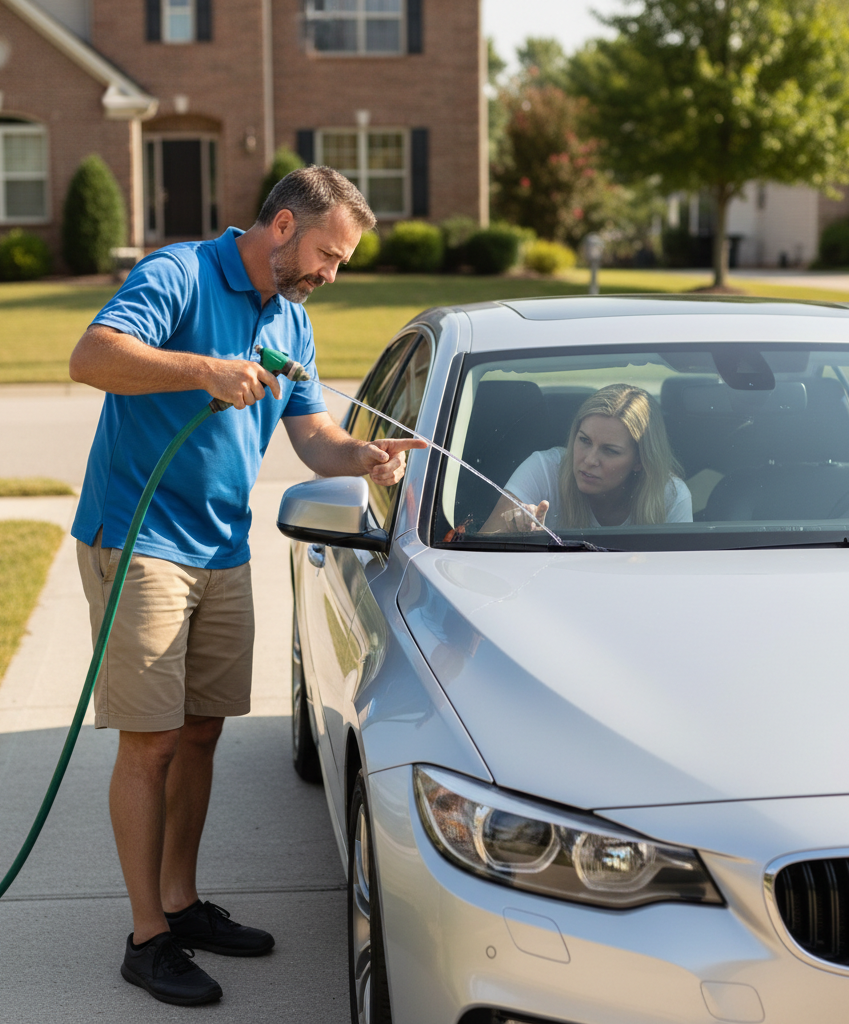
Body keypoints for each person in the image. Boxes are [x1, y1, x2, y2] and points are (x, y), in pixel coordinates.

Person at [68, 166, 425, 1007]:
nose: (331, 274)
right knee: (150, 742)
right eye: (328, 255)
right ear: (281, 226)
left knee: (199, 733)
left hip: (221, 547)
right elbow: (91, 357)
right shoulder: (179, 274)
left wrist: (362, 458)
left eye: (341, 263)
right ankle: (145, 938)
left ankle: (181, 904)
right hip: (141, 535)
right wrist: (203, 370)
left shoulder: (292, 320)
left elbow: (313, 434)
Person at [481, 383, 691, 532]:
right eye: (584, 441)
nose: (590, 460)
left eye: (610, 451)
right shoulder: (544, 469)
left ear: (640, 460)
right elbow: (481, 555)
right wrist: (518, 536)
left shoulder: (670, 495)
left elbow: (679, 577)